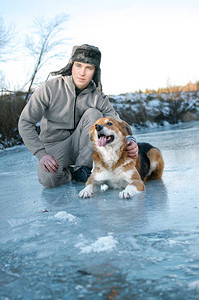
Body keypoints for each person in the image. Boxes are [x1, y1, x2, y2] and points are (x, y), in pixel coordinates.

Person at [18, 44, 138, 188]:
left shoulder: (97, 96)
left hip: (82, 146)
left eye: (89, 68)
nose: (82, 73)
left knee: (95, 114)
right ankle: (70, 173)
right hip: (54, 145)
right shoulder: (49, 88)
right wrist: (41, 154)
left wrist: (130, 140)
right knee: (49, 180)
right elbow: (25, 122)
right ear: (71, 66)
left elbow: (117, 121)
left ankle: (82, 169)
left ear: (95, 72)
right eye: (78, 65)